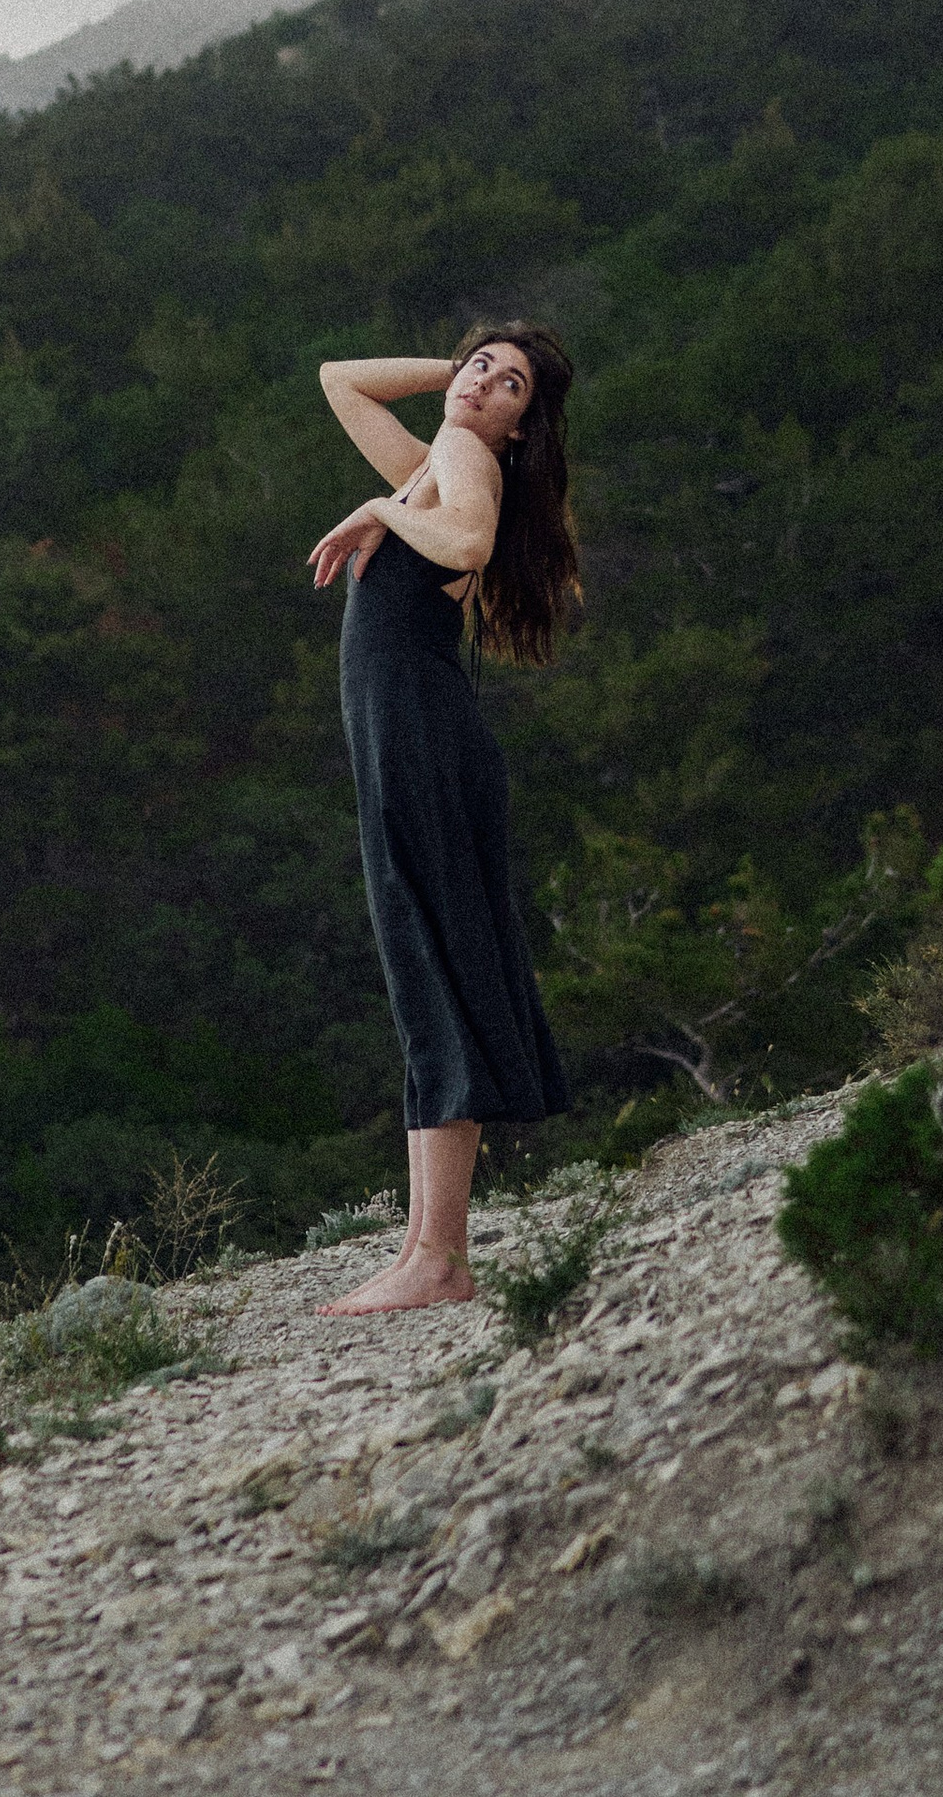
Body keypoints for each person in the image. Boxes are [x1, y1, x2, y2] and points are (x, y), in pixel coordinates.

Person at [306, 322, 581, 1310]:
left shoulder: (457, 464)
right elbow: (340, 376)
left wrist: (381, 503)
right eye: (479, 365)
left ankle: (440, 1257)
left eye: (511, 387)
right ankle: (430, 1249)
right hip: (414, 736)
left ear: (520, 427)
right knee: (425, 962)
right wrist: (460, 375)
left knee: (429, 962)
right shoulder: (441, 456)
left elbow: (464, 540)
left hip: (421, 735)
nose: (482, 384)